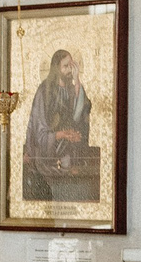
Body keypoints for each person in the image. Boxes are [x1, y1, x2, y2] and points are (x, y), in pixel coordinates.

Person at [24, 46, 94, 202]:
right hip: (47, 153)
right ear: (57, 68)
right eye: (66, 66)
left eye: (71, 65)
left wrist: (77, 82)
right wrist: (60, 134)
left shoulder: (72, 88)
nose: (70, 69)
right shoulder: (44, 90)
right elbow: (38, 127)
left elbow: (79, 115)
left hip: (69, 151)